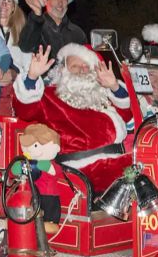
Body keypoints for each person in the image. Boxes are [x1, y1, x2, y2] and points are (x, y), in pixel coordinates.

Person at [12, 42, 132, 191]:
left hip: (120, 164)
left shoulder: (101, 94)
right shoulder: (50, 97)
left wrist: (114, 86)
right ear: (63, 70)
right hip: (81, 172)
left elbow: (126, 115)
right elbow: (25, 109)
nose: (82, 70)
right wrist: (32, 77)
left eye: (86, 66)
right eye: (75, 66)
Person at [18, 0, 86, 55]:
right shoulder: (36, 27)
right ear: (45, 0)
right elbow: (25, 47)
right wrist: (36, 16)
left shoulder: (77, 33)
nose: (60, 3)